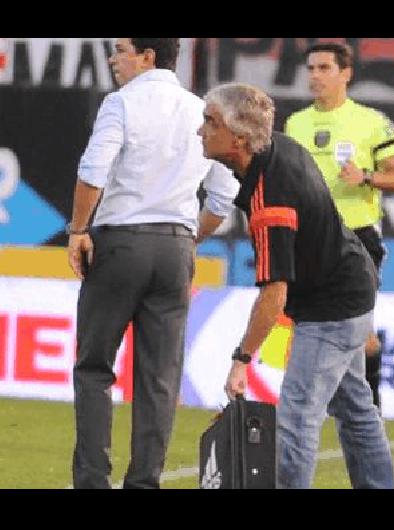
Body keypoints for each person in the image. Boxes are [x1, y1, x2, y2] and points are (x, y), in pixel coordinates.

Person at [197, 82, 394, 489]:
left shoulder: (271, 197)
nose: (201, 130)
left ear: (238, 139)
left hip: (331, 309)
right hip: (350, 290)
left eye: (210, 122)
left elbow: (275, 294)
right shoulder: (280, 147)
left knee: (296, 422)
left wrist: (242, 359)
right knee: (357, 413)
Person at [67, 38, 239, 489]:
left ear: (147, 56)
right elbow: (224, 195)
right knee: (160, 379)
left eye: (121, 49)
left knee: (94, 367)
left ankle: (92, 481)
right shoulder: (202, 109)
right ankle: (145, 482)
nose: (113, 58)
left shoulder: (121, 104)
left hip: (120, 244)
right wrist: (187, 240)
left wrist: (78, 230)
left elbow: (92, 171)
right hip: (175, 248)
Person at [284, 42, 394, 410]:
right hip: (309, 238)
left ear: (346, 74)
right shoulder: (296, 124)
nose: (315, 76)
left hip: (356, 237)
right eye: (311, 69)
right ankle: (329, 405)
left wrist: (366, 177)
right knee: (308, 321)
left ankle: (371, 407)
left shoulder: (371, 122)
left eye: (324, 68)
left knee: (359, 331)